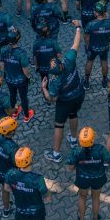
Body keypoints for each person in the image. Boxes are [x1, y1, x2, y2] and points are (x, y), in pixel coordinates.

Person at [42, 23, 85, 163]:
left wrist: (44, 88)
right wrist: (78, 27)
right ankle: (73, 140)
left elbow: (51, 99)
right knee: (74, 115)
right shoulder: (69, 61)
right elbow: (76, 43)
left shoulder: (54, 82)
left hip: (64, 102)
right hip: (78, 95)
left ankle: (56, 154)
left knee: (59, 125)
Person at [66, 126, 110, 220]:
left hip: (83, 179)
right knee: (96, 198)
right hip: (98, 178)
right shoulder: (100, 149)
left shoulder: (77, 151)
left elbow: (70, 168)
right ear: (93, 139)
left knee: (82, 198)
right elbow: (108, 160)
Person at [5, 147, 51, 220]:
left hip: (20, 207)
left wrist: (19, 190)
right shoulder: (38, 179)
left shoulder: (10, 174)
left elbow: (6, 188)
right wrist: (48, 197)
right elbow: (46, 196)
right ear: (30, 160)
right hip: (36, 210)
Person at [0, 27, 35, 122]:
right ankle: (27, 116)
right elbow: (25, 70)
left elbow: (2, 66)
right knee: (23, 97)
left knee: (12, 95)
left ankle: (14, 113)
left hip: (9, 79)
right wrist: (29, 78)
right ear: (18, 39)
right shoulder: (21, 53)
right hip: (21, 81)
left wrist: (6, 74)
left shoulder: (3, 50)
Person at [83, 2, 110, 89]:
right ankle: (104, 81)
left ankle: (86, 81)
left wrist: (87, 46)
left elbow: (86, 37)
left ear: (96, 13)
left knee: (89, 62)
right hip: (104, 47)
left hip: (92, 47)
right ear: (105, 12)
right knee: (104, 63)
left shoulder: (91, 24)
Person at [0, 116, 20, 219]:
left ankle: (6, 210)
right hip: (10, 174)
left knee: (4, 190)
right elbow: (18, 163)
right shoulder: (13, 147)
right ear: (11, 132)